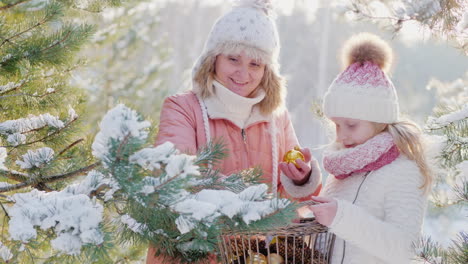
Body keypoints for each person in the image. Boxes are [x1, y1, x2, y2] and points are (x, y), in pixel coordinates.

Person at [146, 1, 321, 263]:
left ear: (266, 70)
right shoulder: (183, 109)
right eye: (233, 59)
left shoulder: (276, 118)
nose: (244, 73)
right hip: (194, 256)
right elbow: (172, 183)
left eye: (255, 64)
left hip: (254, 257)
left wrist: (299, 181)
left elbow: (289, 207)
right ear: (213, 59)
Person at [307, 33, 433, 264]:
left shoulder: (403, 170)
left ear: (379, 120)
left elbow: (405, 249)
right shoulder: (345, 166)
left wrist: (341, 216)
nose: (341, 135)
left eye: (351, 125)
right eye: (336, 125)